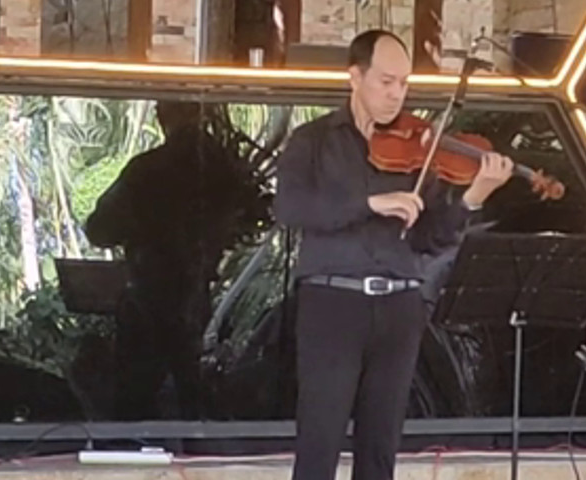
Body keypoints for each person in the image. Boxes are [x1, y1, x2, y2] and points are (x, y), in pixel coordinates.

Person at [273, 30, 515, 480]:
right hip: (333, 303)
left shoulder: (419, 147)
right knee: (318, 445)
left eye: (403, 84)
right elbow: (289, 207)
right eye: (385, 82)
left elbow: (430, 238)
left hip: (400, 306)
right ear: (355, 76)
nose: (396, 94)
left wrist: (473, 197)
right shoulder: (313, 141)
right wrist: (368, 204)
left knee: (381, 449)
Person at [86, 101, 259, 420]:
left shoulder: (148, 170)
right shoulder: (227, 172)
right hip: (197, 301)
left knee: (134, 405)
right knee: (197, 401)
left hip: (152, 297)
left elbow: (99, 229)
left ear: (163, 117)